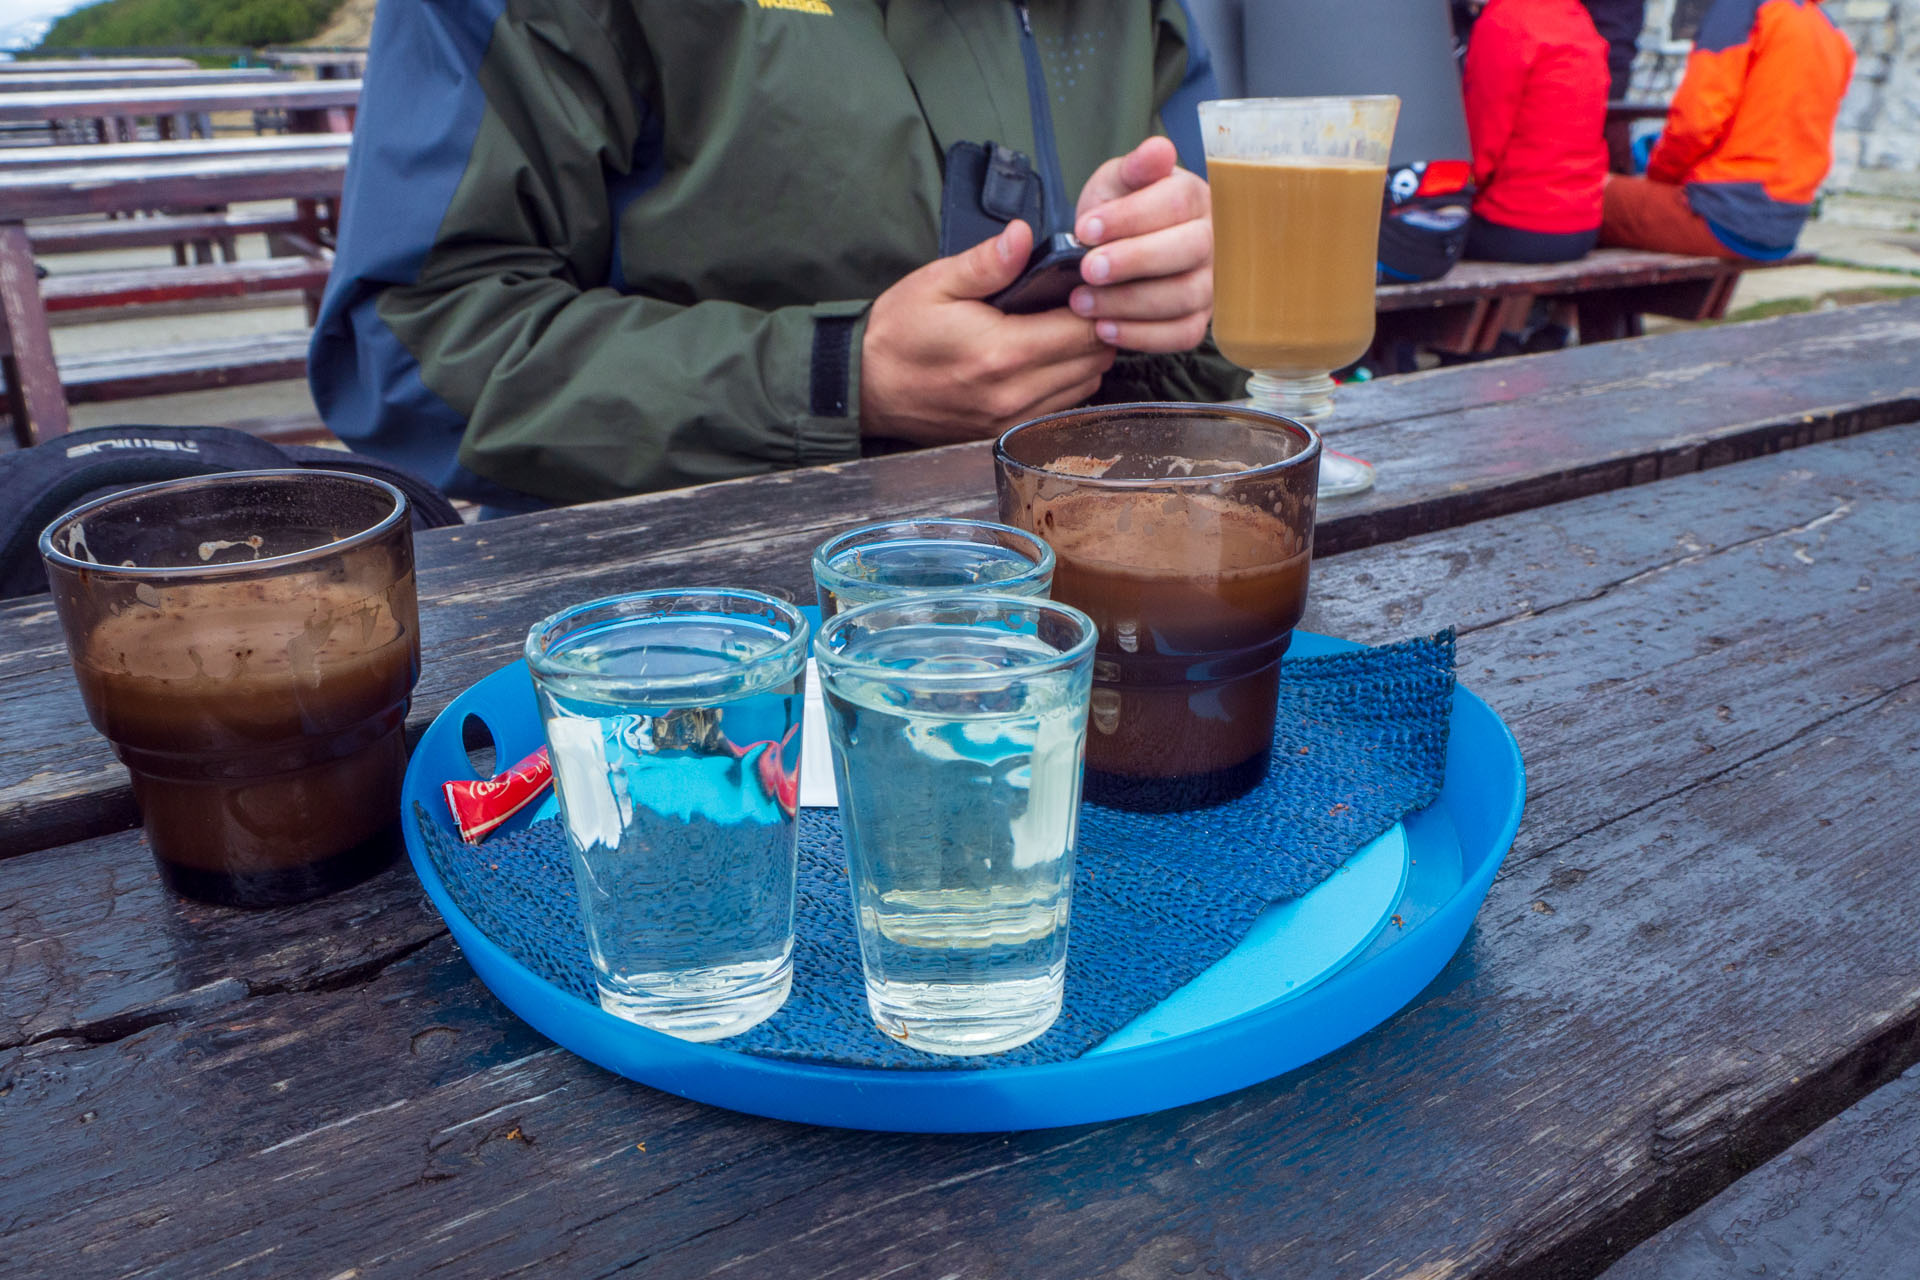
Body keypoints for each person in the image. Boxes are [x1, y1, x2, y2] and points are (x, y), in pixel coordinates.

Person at [310, 1, 1242, 510]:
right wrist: (839, 377)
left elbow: (1220, 354)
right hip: (692, 651)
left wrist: (1182, 304)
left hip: (1092, 600)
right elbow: (405, 355)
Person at [1599, 0, 1854, 261]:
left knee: (1582, 197)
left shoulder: (1743, 9)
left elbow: (1696, 123)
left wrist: (1657, 177)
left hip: (1723, 213)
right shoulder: (1830, 31)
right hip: (1784, 223)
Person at [1460, 0, 1611, 263]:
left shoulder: (1506, 20)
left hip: (1514, 225)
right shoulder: (1576, 16)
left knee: (1408, 234)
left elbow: (1481, 140)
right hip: (1582, 226)